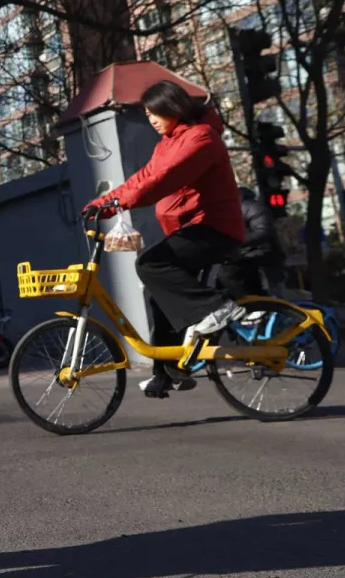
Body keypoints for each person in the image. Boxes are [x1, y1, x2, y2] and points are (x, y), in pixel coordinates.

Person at [85, 80, 246, 399]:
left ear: (172, 107)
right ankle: (169, 372)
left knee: (150, 264)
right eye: (146, 115)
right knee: (160, 297)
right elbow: (144, 177)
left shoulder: (201, 137)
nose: (151, 120)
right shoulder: (167, 144)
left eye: (154, 113)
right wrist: (102, 203)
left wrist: (119, 203)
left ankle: (218, 307)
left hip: (215, 228)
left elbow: (164, 179)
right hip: (191, 229)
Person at [216, 186, 287, 299]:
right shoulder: (232, 210)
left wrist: (236, 242)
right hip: (248, 256)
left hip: (262, 255)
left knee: (229, 274)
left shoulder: (250, 207)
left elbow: (263, 231)